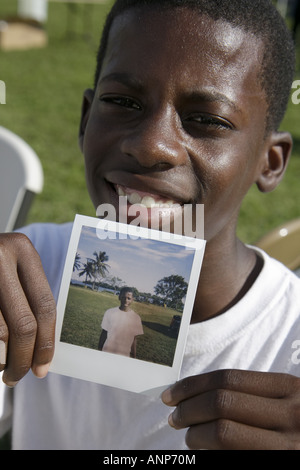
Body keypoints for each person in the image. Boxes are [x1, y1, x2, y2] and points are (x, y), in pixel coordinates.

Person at [0, 0, 299, 450]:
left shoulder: (288, 346)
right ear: (85, 118)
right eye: (122, 102)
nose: (150, 145)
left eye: (207, 120)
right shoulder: (29, 273)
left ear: (269, 162)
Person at [98, 287, 143, 358]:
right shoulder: (110, 312)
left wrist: (133, 356)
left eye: (129, 298)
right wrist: (99, 350)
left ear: (132, 300)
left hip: (124, 355)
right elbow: (104, 333)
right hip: (107, 352)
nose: (126, 300)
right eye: (123, 297)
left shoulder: (136, 318)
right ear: (119, 297)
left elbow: (134, 339)